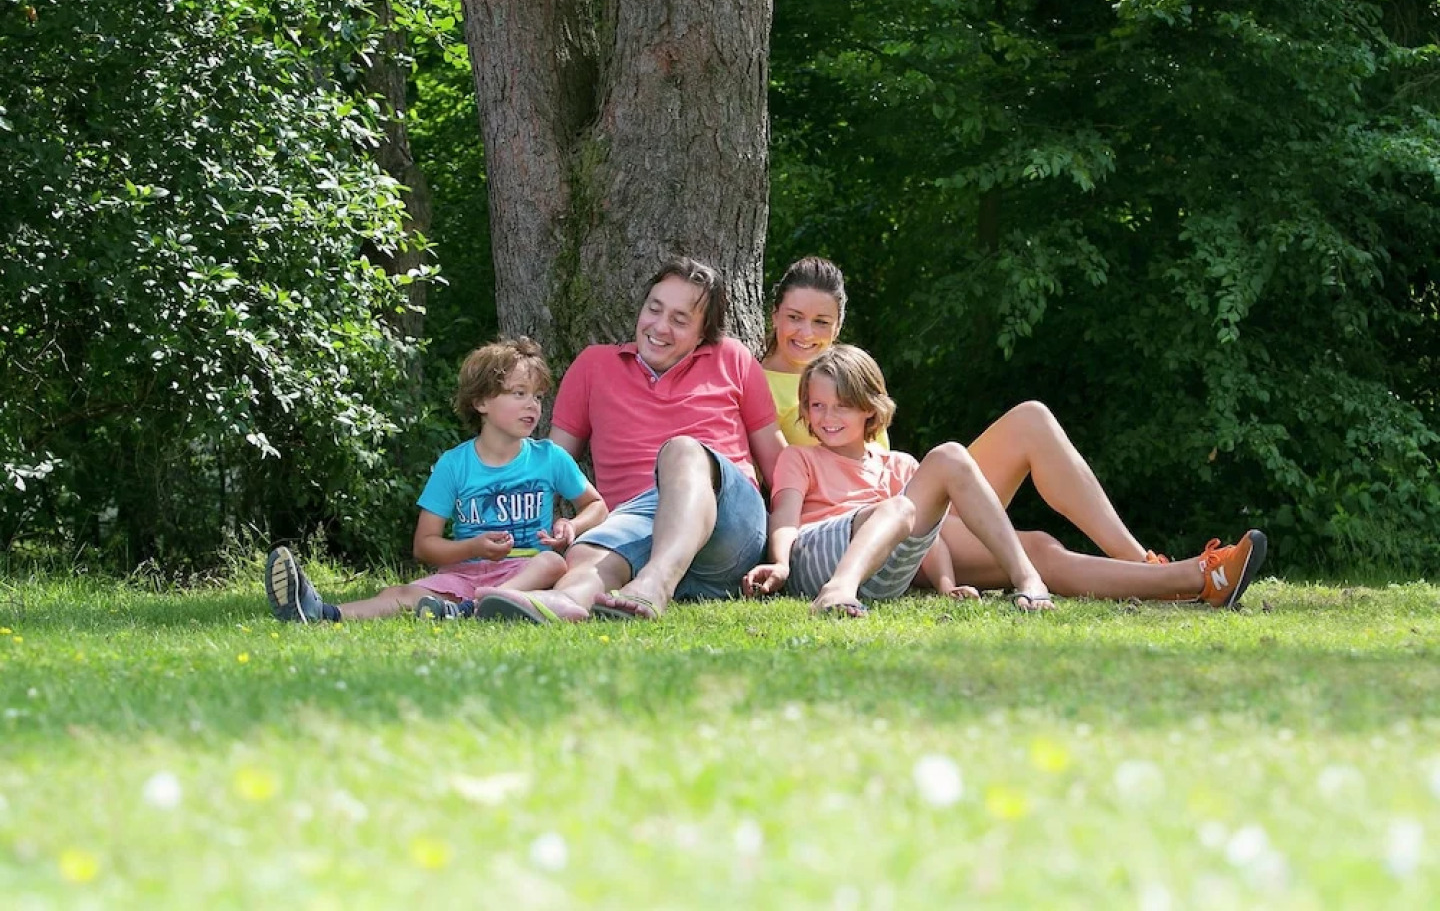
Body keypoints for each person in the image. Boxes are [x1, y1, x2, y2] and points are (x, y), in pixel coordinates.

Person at [753, 256, 1268, 604]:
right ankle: (1181, 580)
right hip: (849, 529)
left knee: (1031, 419)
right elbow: (783, 495)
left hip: (912, 508)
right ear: (773, 313)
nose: (806, 333)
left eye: (822, 322)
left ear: (839, 324)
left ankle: (1146, 566)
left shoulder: (848, 375)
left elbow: (894, 475)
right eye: (795, 317)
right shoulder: (757, 381)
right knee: (1039, 545)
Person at [471, 256, 787, 624]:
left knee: (683, 451)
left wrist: (794, 543)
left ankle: (654, 585)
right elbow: (548, 466)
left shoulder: (733, 358)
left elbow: (780, 468)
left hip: (728, 526)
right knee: (588, 551)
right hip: (635, 528)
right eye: (654, 309)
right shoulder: (593, 366)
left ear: (703, 334)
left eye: (679, 320)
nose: (660, 326)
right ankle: (565, 602)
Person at [264, 337, 606, 623]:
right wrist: (473, 547)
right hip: (464, 575)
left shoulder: (549, 458)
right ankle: (320, 612)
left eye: (537, 397)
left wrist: (572, 527)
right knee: (399, 594)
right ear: (481, 401)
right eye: (519, 393)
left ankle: (481, 606)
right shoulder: (454, 465)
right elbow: (425, 546)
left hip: (525, 573)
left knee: (552, 562)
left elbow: (596, 506)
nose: (532, 405)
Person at [745, 345, 1054, 616]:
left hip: (883, 576)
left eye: (842, 405)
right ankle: (838, 589)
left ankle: (1027, 578)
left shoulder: (898, 465)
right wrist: (781, 563)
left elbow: (928, 538)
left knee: (950, 456)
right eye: (817, 406)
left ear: (868, 407)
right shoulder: (800, 457)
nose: (828, 417)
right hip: (815, 558)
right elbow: (785, 516)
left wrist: (946, 586)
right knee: (897, 508)